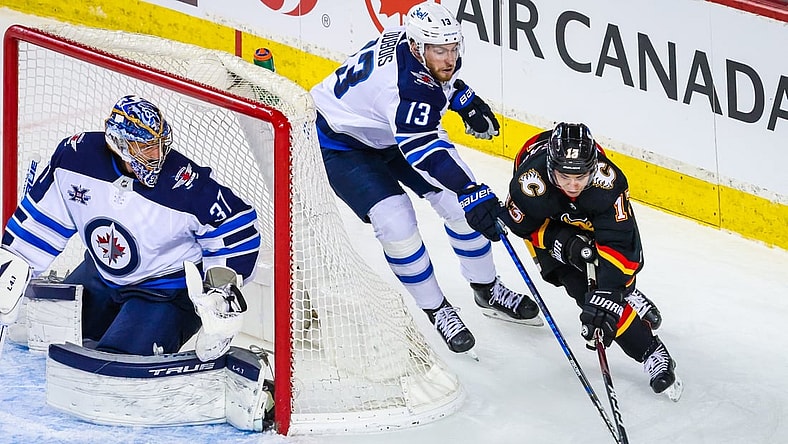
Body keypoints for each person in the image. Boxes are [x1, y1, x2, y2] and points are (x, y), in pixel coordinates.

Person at [309, 1, 541, 354]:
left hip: (388, 128)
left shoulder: (414, 48)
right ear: (418, 47)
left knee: (460, 208)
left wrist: (461, 98)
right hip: (340, 142)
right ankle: (438, 309)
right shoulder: (404, 88)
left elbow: (435, 87)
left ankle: (487, 289)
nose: (448, 58)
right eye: (439, 51)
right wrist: (468, 188)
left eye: (452, 49)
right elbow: (422, 149)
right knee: (396, 220)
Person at [0, 95, 261, 358]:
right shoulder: (76, 159)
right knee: (47, 341)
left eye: (159, 144)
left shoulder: (184, 184)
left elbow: (235, 226)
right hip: (100, 277)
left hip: (165, 291)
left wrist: (219, 293)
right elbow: (41, 224)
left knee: (116, 362)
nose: (157, 155)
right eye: (145, 147)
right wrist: (13, 271)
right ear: (119, 144)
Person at [501, 122, 678, 395]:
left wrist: (610, 292)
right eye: (564, 176)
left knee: (612, 285)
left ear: (593, 170)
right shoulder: (529, 183)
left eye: (581, 176)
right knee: (579, 287)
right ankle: (647, 345)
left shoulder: (607, 185)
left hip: (591, 220)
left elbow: (621, 245)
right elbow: (523, 226)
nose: (573, 184)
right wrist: (563, 243)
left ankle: (650, 347)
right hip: (548, 222)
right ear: (550, 170)